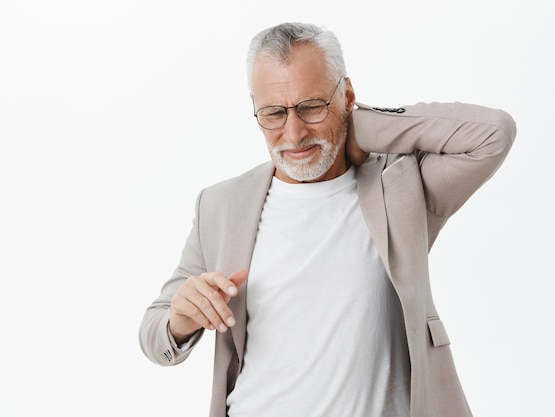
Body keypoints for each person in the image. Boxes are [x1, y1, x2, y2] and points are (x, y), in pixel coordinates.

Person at [139, 22, 516, 417]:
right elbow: (154, 338)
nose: (294, 133)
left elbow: (493, 134)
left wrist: (364, 127)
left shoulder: (401, 187)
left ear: (346, 95)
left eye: (311, 107)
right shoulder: (221, 205)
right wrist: (180, 321)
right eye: (273, 113)